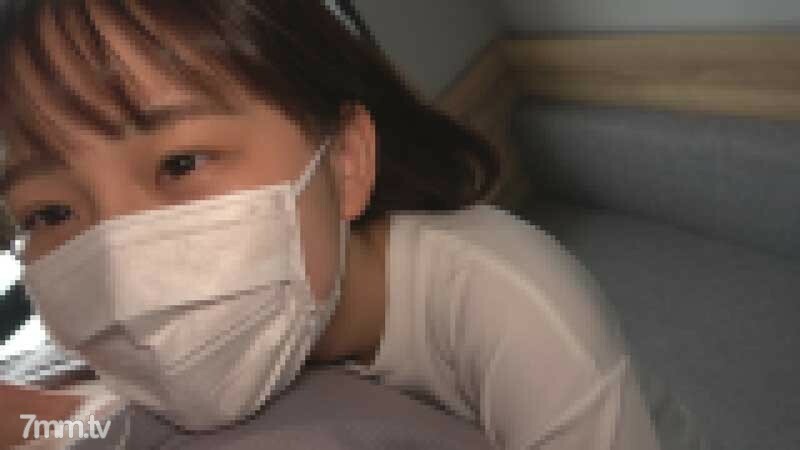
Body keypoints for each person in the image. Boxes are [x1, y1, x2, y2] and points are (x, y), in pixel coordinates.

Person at [0, 1, 663, 449]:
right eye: (50, 214)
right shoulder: (133, 353)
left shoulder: (516, 307)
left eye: (181, 162)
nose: (122, 276)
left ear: (345, 161)